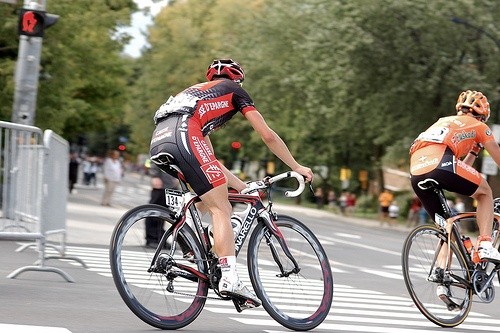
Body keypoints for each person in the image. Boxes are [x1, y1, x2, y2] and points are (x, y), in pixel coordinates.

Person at [149, 59, 313, 309]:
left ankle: (196, 244)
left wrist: (241, 186)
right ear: (236, 80)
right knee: (221, 209)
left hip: (161, 138)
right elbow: (267, 135)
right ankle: (229, 278)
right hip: (184, 135)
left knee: (211, 198)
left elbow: (210, 160)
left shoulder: (195, 96)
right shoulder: (234, 90)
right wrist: (296, 166)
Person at [409, 90, 500, 265]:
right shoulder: (480, 126)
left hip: (416, 171)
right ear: (482, 116)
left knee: (447, 228)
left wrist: (474, 151)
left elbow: (458, 168)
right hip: (441, 164)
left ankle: (442, 277)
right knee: (485, 193)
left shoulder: (442, 122)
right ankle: (485, 244)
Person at [145, 162, 180, 248]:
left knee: (164, 214)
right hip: (161, 184)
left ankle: (160, 238)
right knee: (155, 211)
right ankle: (152, 238)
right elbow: (155, 158)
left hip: (170, 184)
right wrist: (155, 176)